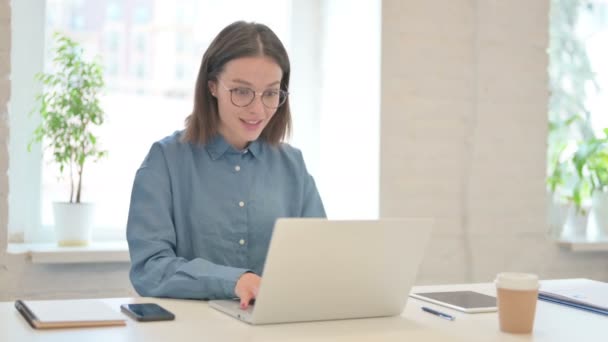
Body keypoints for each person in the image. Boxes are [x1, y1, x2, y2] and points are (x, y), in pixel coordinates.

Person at [126, 21, 326, 309]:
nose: (257, 109)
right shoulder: (165, 161)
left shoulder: (292, 165)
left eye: (270, 93)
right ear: (212, 86)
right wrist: (233, 280)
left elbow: (320, 260)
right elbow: (149, 269)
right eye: (242, 92)